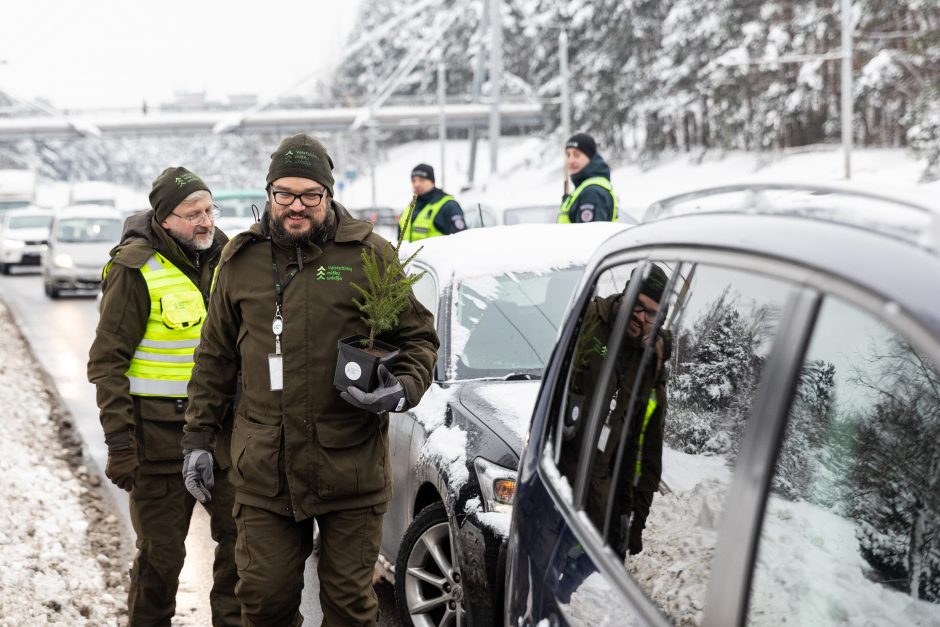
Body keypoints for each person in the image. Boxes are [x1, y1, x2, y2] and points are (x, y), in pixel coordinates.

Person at [181, 133, 440, 626]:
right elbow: (214, 358)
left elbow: (419, 340)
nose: (296, 206)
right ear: (269, 193)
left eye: (309, 195)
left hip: (350, 470)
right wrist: (196, 438)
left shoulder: (370, 255)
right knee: (264, 600)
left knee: (348, 608)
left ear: (328, 194)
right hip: (264, 471)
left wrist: (400, 387)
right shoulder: (241, 260)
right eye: (285, 194)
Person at [87, 167, 239, 626]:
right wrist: (119, 442)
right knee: (160, 560)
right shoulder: (135, 270)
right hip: (158, 445)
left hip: (225, 435)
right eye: (192, 213)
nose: (205, 221)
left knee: (242, 552)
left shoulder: (231, 259)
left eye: (209, 210)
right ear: (165, 219)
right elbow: (107, 363)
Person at [559, 264, 669, 559]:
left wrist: (634, 524)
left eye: (651, 315)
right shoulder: (590, 320)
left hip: (599, 501)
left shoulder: (650, 364)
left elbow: (648, 451)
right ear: (625, 295)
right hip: (557, 481)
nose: (640, 318)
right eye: (637, 306)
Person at [558, 132, 619, 224]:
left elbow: (589, 236)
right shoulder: (585, 188)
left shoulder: (592, 193)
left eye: (576, 154)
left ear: (590, 157)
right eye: (568, 155)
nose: (570, 160)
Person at [398, 163, 467, 241]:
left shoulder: (448, 206)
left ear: (432, 181)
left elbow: (460, 241)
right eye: (414, 181)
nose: (416, 184)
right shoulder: (409, 208)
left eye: (422, 180)